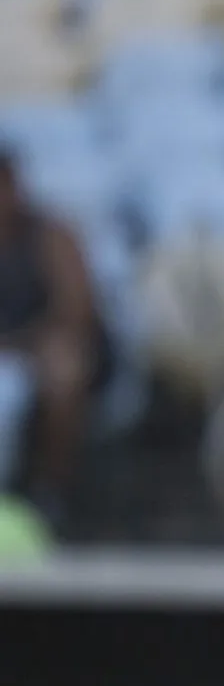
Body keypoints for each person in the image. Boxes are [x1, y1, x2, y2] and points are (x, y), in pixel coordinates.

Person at [0, 145, 100, 528]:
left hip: (40, 349)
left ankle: (48, 493)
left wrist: (23, 345)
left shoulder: (50, 236)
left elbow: (75, 313)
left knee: (64, 368)